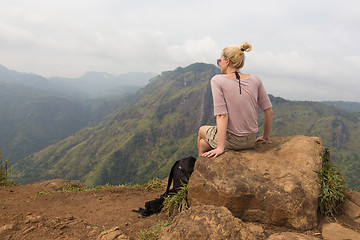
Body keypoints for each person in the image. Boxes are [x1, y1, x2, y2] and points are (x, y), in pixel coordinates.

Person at [198, 42, 273, 158]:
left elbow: (222, 115)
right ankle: (202, 160)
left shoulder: (217, 80)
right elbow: (269, 111)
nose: (219, 64)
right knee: (203, 143)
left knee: (201, 130)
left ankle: (198, 169)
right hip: (251, 139)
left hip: (233, 140)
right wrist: (265, 137)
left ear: (227, 61)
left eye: (219, 61)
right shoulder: (255, 79)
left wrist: (220, 147)